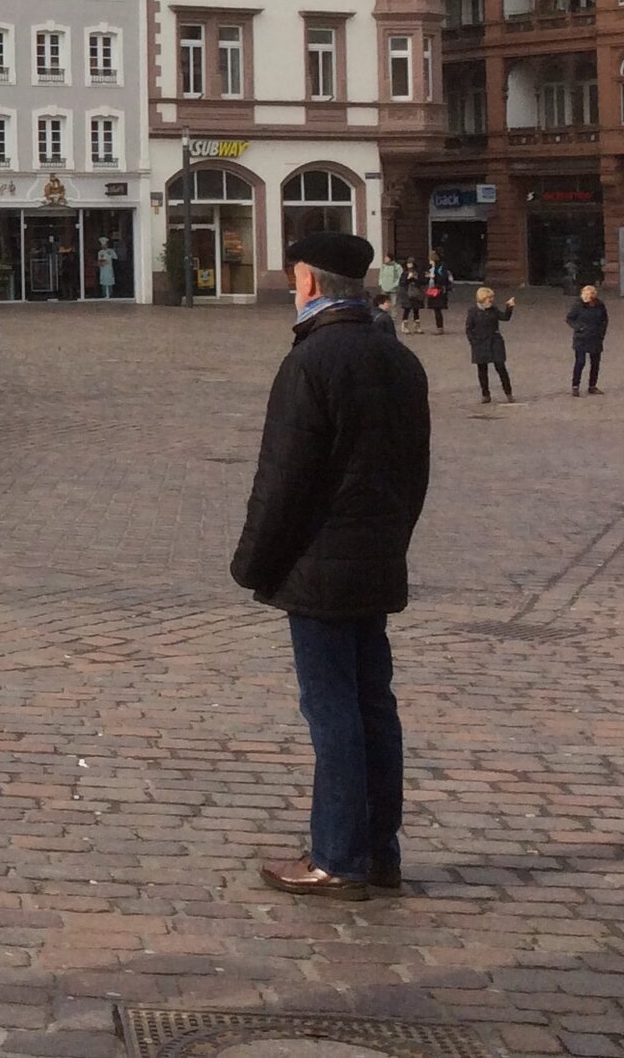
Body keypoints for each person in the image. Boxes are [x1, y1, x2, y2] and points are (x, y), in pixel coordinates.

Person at [231, 231, 431, 900]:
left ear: (310, 283)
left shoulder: (311, 361)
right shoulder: (400, 360)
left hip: (318, 565)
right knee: (375, 705)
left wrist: (252, 562)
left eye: (295, 280)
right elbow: (416, 472)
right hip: (377, 560)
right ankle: (380, 851)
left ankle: (338, 856)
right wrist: (392, 538)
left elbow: (283, 477)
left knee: (333, 710)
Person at [464, 286, 516, 404]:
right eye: (489, 298)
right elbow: (468, 328)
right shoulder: (473, 311)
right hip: (480, 343)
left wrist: (509, 307)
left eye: (492, 297)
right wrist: (473, 342)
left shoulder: (493, 309)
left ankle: (508, 393)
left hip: (494, 341)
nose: (491, 300)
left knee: (500, 367)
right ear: (482, 298)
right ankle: (485, 394)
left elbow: (505, 317)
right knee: (482, 369)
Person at [565, 285, 608, 397]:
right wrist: (578, 327)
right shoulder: (578, 305)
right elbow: (569, 318)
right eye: (584, 294)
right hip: (581, 338)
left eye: (588, 295)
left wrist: (602, 333)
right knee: (580, 362)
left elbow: (604, 319)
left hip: (595, 337)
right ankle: (575, 386)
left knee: (595, 363)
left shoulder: (600, 305)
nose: (586, 297)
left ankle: (592, 386)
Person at [424, 257, 452, 334]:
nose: (430, 262)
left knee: (438, 310)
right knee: (436, 310)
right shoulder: (431, 268)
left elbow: (443, 279)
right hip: (432, 290)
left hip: (438, 291)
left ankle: (440, 328)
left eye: (431, 260)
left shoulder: (440, 268)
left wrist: (434, 276)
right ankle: (439, 327)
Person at [398, 260, 423, 332]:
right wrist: (408, 278)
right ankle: (404, 326)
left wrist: (416, 279)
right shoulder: (404, 273)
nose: (409, 265)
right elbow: (402, 283)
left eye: (411, 263)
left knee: (416, 310)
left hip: (416, 293)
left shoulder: (417, 272)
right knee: (407, 309)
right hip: (407, 294)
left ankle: (417, 326)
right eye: (408, 263)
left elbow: (422, 282)